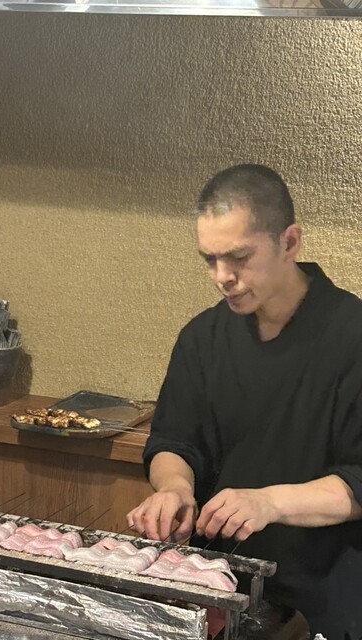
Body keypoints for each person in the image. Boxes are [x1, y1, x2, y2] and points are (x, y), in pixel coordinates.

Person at [127, 164, 362, 640]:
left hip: (324, 597)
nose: (222, 277)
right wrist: (175, 488)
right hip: (218, 585)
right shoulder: (203, 337)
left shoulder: (351, 334)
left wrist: (268, 502)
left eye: (238, 257)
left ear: (289, 242)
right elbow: (174, 440)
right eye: (210, 259)